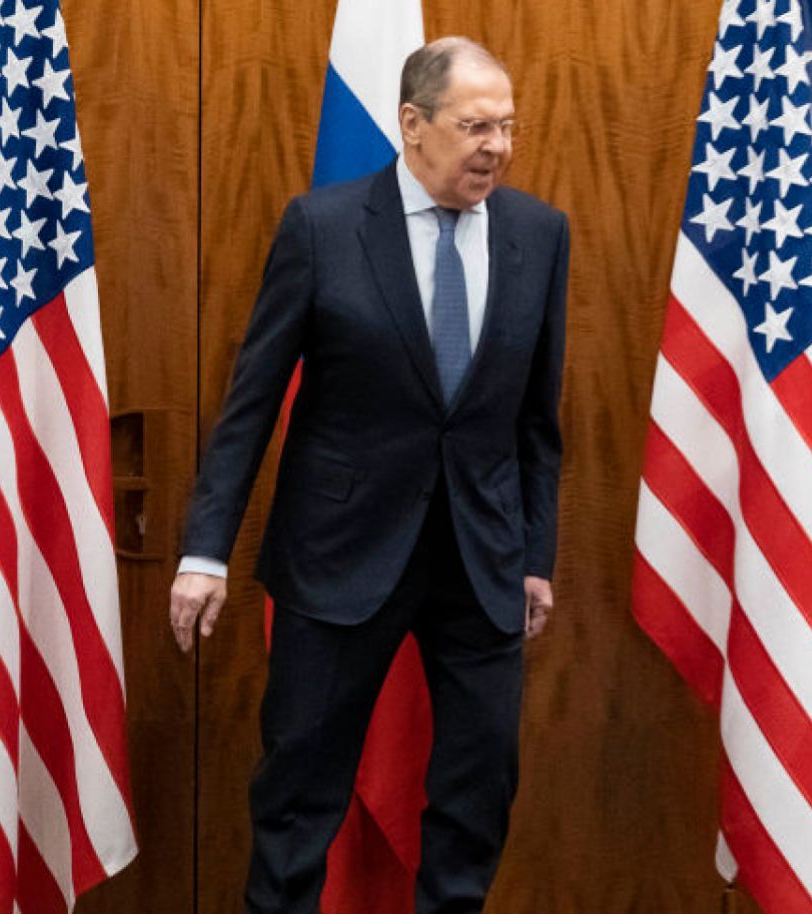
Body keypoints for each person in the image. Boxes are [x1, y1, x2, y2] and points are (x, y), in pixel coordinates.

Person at [168, 37, 569, 914]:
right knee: (300, 788)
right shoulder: (322, 227)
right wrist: (205, 552)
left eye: (507, 127)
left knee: (480, 785)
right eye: (475, 126)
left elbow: (538, 421)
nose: (496, 146)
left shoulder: (540, 234)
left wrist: (534, 554)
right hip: (340, 552)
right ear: (412, 125)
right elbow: (251, 405)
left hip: (482, 556)